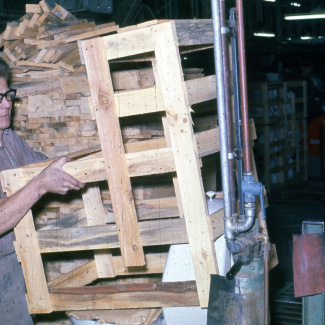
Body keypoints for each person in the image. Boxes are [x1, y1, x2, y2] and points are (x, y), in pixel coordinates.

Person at [0, 57, 85, 323]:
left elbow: (42, 166)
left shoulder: (9, 140)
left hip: (13, 262)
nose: (5, 104)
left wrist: (89, 165)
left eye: (7, 96)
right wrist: (40, 184)